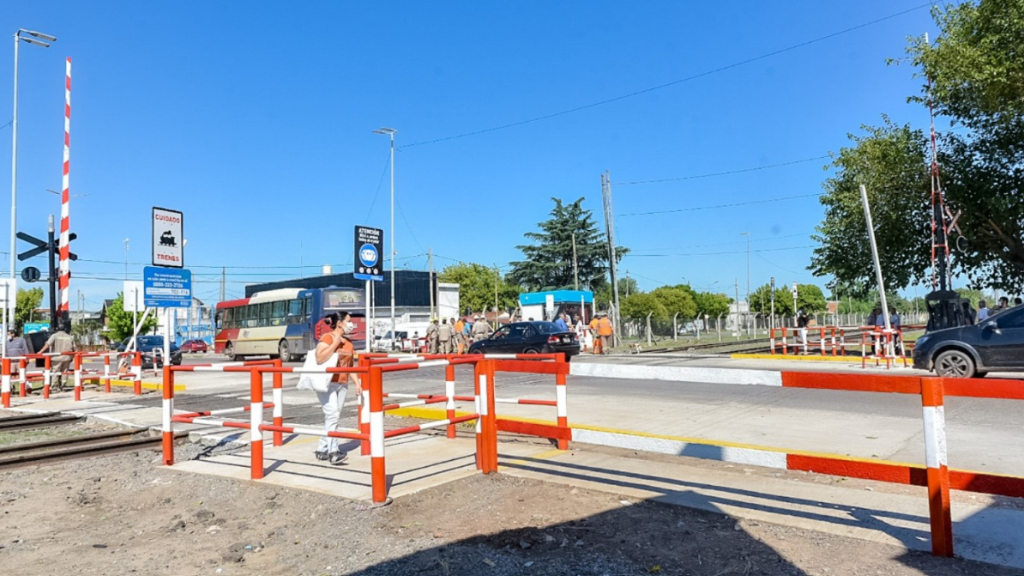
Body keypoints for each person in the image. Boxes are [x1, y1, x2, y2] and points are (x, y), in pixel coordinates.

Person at [313, 312, 359, 465]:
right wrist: (335, 343)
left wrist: (357, 384)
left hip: (343, 383)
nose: (351, 324)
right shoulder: (327, 338)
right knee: (332, 415)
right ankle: (334, 451)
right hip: (327, 383)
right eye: (348, 321)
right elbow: (319, 358)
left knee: (333, 416)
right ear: (339, 323)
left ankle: (321, 449)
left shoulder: (349, 343)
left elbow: (350, 366)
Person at [38, 320, 75, 393]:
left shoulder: (54, 336)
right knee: (65, 372)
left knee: (55, 372)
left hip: (56, 358)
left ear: (57, 329)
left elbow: (48, 344)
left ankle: (55, 387)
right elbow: (74, 348)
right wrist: (72, 356)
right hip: (67, 357)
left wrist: (40, 352)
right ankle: (63, 386)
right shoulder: (69, 337)